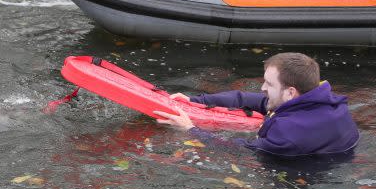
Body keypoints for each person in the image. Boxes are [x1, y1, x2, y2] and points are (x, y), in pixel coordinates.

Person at [154, 52, 360, 157]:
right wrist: (196, 100)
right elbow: (245, 99)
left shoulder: (289, 132)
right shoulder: (324, 99)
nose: (262, 88)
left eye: (269, 84)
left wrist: (190, 130)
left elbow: (242, 150)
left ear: (290, 92)